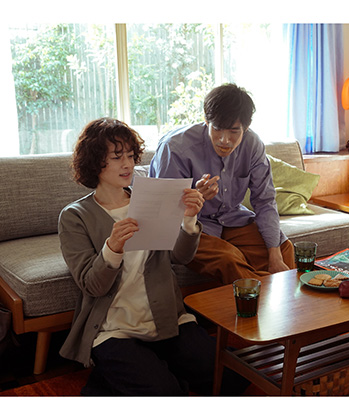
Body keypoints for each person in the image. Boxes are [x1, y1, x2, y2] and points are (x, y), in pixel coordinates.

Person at [58, 118, 247, 395]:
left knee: (232, 377)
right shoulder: (75, 216)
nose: (127, 164)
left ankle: (152, 367)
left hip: (165, 319)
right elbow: (92, 286)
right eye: (117, 157)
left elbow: (181, 257)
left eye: (130, 156)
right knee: (165, 393)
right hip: (115, 328)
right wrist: (112, 247)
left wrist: (189, 219)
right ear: (95, 162)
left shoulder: (150, 198)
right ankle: (135, 373)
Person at [149, 83, 295, 284]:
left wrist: (274, 255)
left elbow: (265, 201)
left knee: (284, 249)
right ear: (206, 120)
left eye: (234, 131)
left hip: (233, 218)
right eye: (217, 129)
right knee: (229, 258)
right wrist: (196, 198)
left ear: (246, 127)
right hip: (189, 227)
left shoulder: (252, 145)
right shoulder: (175, 148)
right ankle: (265, 300)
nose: (224, 140)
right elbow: (165, 212)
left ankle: (273, 297)